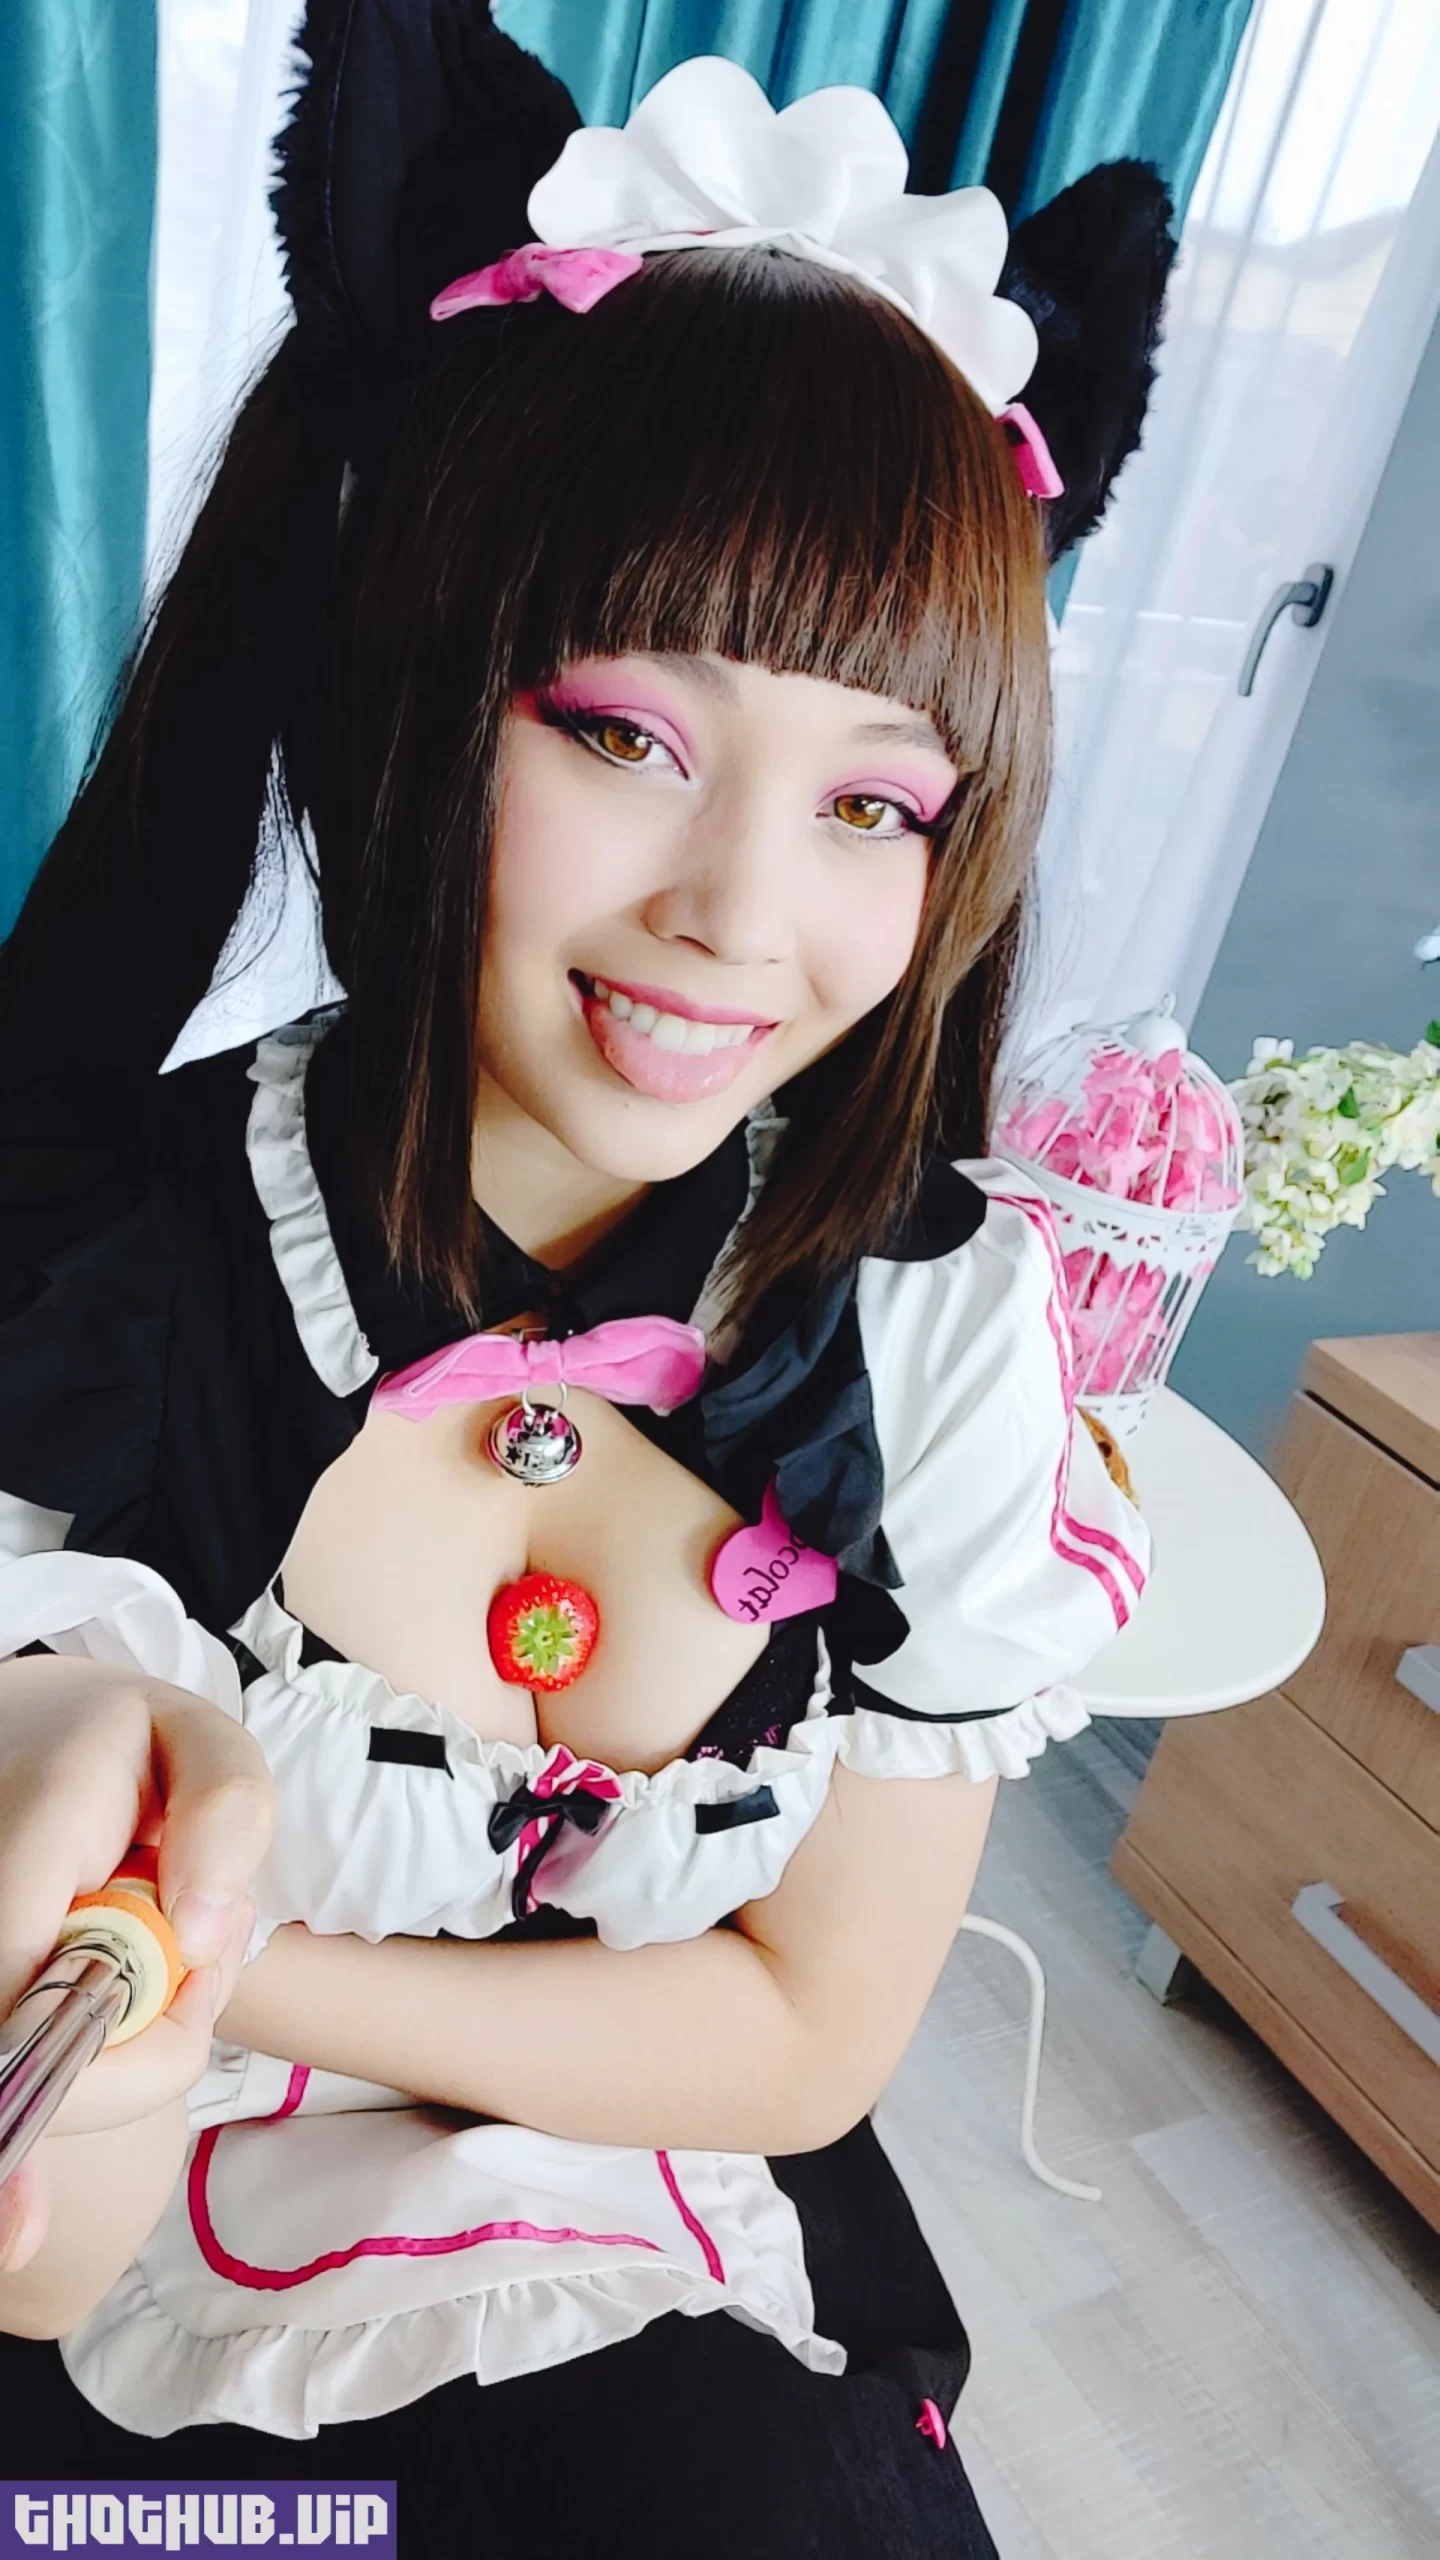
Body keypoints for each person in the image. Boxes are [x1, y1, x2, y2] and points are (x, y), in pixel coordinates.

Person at [0, 11, 1175, 2550]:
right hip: (152, 2344)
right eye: (628, 733)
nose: (745, 915)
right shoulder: (105, 1258)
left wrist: (204, 1950)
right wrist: (78, 1958)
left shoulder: (932, 1327)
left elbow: (804, 2038)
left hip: (664, 2272)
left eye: (876, 800)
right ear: (417, 683)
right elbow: (49, 2274)